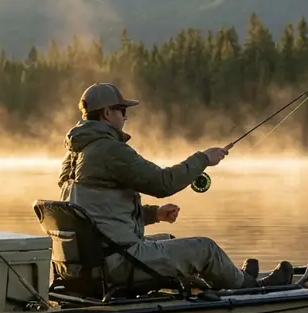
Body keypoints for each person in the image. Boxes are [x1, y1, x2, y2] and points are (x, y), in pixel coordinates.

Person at [57, 82, 294, 292]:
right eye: (122, 111)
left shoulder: (76, 153)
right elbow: (163, 182)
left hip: (92, 262)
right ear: (107, 113)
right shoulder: (110, 150)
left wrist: (153, 214)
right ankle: (252, 289)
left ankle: (232, 279)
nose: (125, 117)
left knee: (167, 238)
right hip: (115, 264)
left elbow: (97, 213)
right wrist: (203, 159)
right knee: (205, 249)